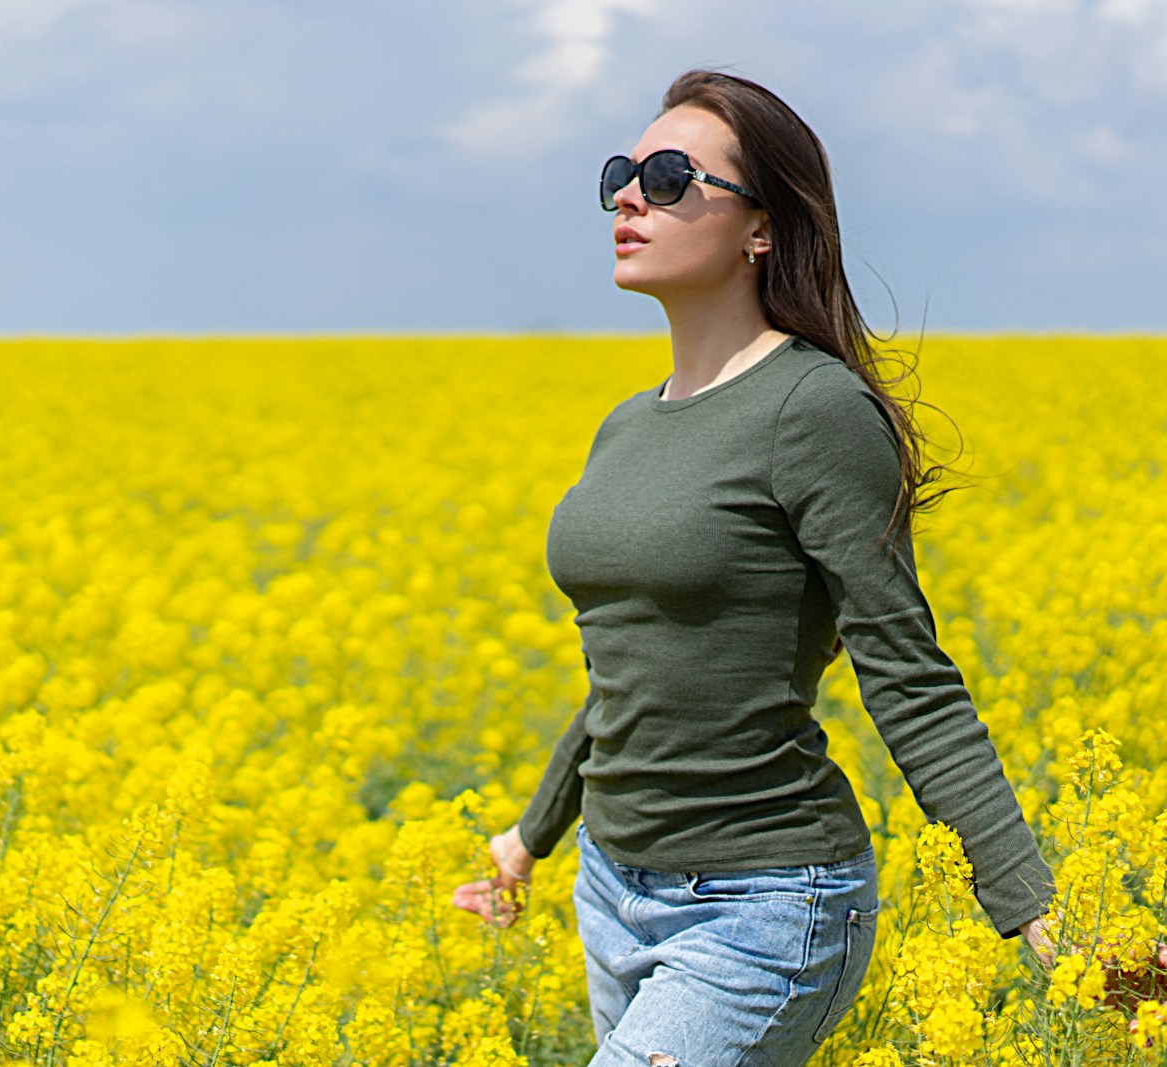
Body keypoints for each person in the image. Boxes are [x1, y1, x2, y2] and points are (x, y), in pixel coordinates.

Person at [449, 68, 1067, 1065]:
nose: (628, 194)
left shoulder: (814, 412)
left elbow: (908, 678)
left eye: (666, 174)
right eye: (623, 170)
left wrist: (1043, 919)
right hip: (611, 888)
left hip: (760, 906)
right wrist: (531, 838)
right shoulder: (625, 426)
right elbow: (635, 671)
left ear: (761, 227)